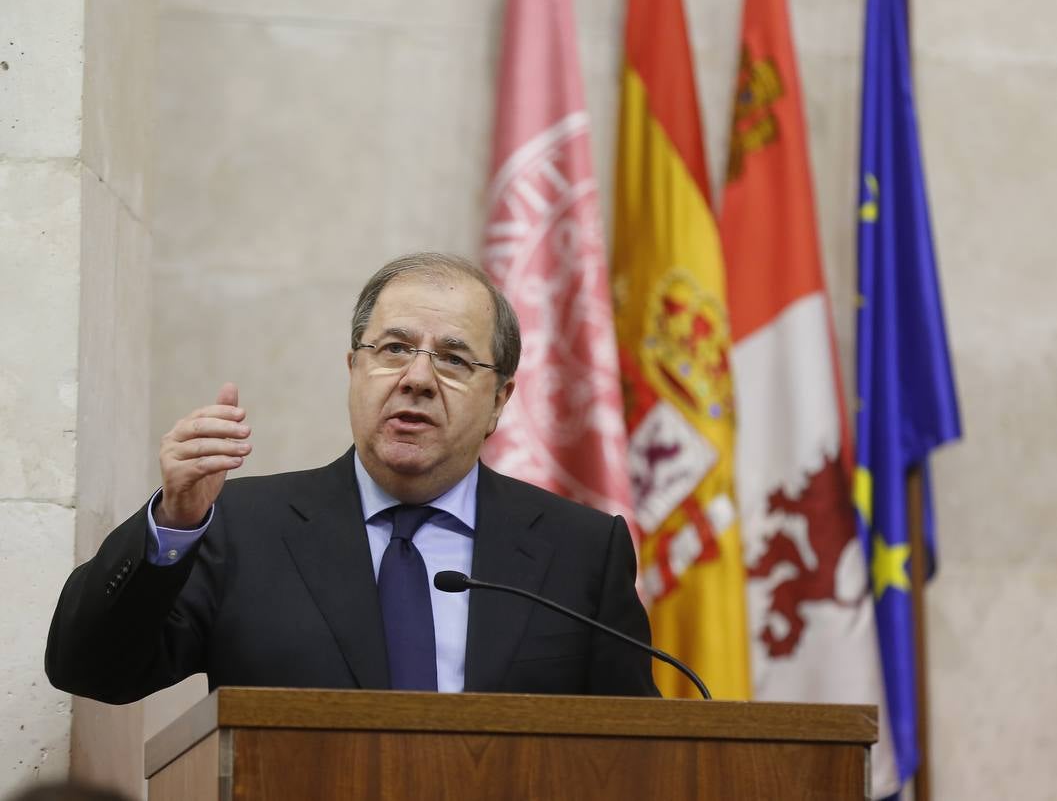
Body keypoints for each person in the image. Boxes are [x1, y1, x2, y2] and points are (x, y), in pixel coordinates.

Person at [45, 253, 658, 702]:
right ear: (353, 369)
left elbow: (635, 754)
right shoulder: (244, 529)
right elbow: (91, 671)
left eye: (451, 358)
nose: (416, 378)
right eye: (393, 348)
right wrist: (173, 525)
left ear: (499, 399)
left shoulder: (579, 550)